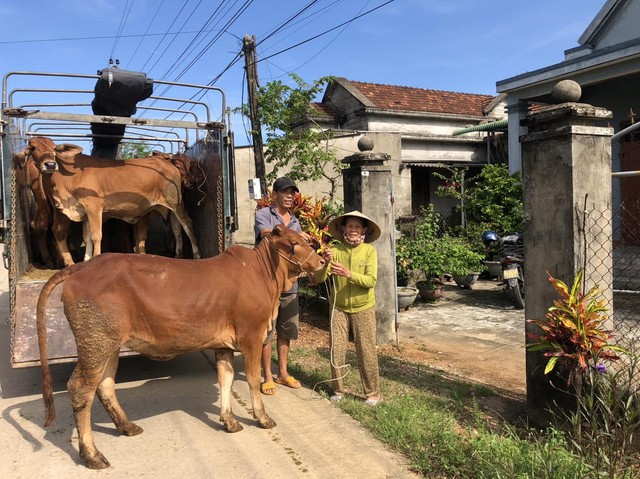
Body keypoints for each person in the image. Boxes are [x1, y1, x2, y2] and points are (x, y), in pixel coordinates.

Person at [315, 210, 382, 406]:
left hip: (364, 307)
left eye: (357, 227)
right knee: (336, 349)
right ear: (343, 229)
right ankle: (338, 389)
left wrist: (347, 273)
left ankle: (373, 393)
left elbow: (371, 281)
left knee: (366, 350)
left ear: (364, 230)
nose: (353, 230)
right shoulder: (335, 250)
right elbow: (320, 279)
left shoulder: (369, 251)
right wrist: (326, 262)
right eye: (350, 226)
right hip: (339, 307)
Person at [254, 176, 310, 395]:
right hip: (268, 285)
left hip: (290, 285)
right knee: (267, 330)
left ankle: (283, 373)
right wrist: (294, 237)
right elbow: (268, 235)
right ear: (274, 194)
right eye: (285, 192)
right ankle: (267, 375)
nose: (290, 196)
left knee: (286, 330)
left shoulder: (296, 221)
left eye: (292, 193)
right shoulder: (263, 215)